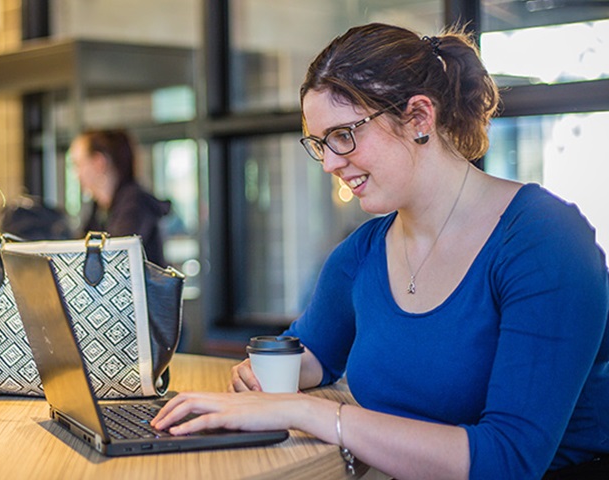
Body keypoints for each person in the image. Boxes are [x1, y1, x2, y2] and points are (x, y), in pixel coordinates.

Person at [152, 23, 609, 479]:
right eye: (320, 143)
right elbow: (315, 352)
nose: (330, 162)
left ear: (418, 118)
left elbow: (507, 460)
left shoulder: (545, 241)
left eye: (344, 134)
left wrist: (305, 413)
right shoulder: (362, 254)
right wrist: (265, 377)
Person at [70, 129, 171, 266]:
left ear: (99, 163)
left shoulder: (135, 203)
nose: (76, 174)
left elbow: (115, 260)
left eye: (78, 164)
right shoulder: (100, 208)